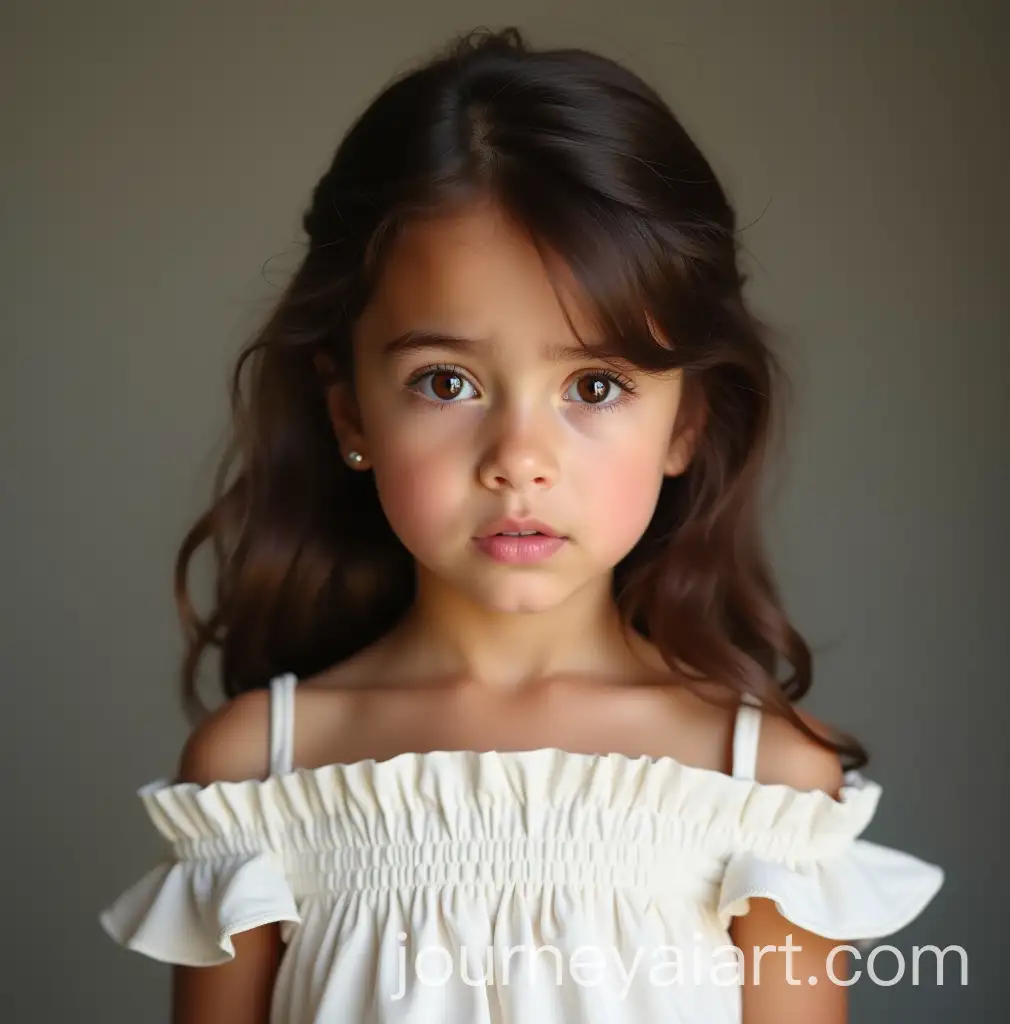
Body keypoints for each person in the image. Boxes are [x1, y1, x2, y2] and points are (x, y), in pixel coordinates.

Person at [100, 25, 943, 1024]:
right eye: (445, 381)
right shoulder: (260, 776)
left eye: (593, 382)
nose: (519, 456)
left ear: (688, 421)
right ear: (349, 413)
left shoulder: (761, 790)